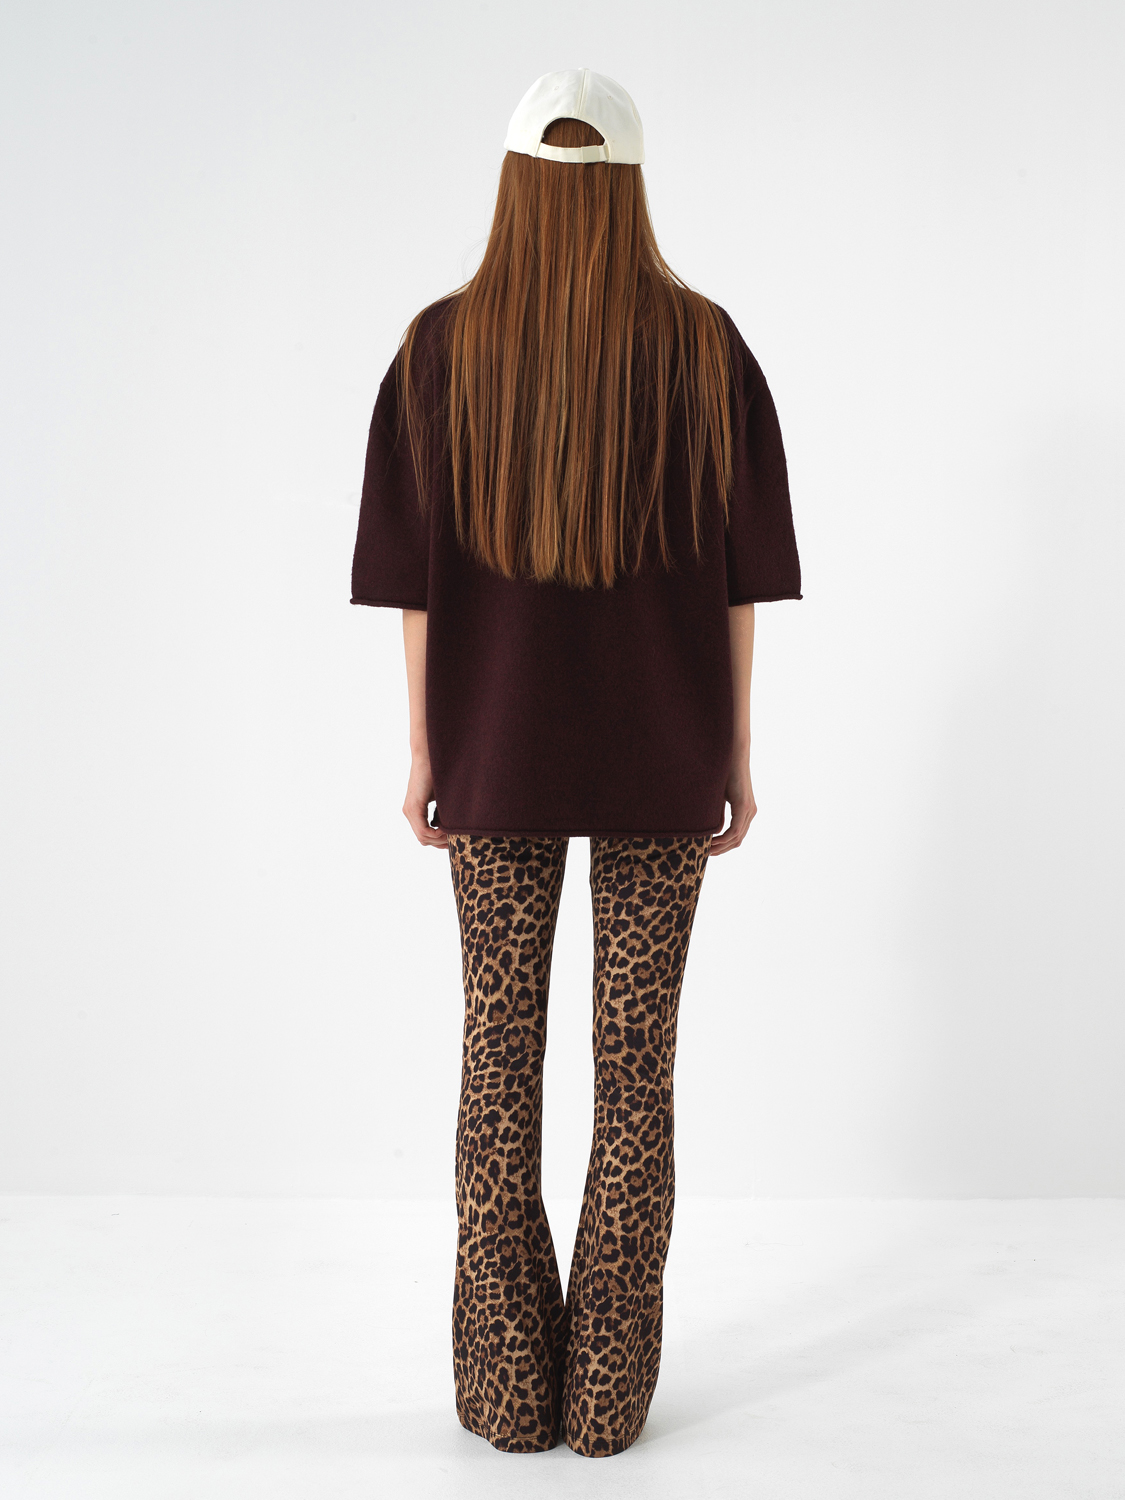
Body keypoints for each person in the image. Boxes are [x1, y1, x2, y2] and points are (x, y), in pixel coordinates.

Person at [350, 68, 801, 1459]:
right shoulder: (705, 349)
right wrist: (734, 750)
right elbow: (741, 585)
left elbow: (414, 589)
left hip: (493, 756)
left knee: (497, 1060)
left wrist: (425, 748)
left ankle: (504, 1391)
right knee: (635, 1067)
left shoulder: (439, 350)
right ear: (630, 188)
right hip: (664, 757)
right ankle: (606, 1398)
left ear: (515, 185)